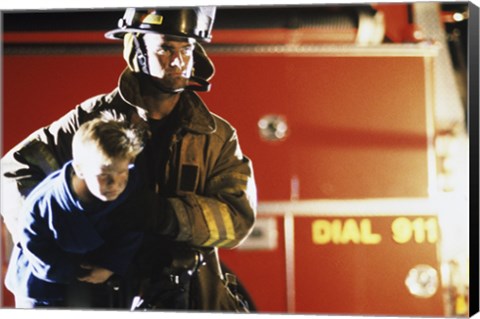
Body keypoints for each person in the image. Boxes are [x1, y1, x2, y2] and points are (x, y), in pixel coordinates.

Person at [1, 7, 257, 311]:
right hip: (100, 294)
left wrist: (165, 215)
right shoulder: (89, 122)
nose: (178, 61)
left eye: (186, 49)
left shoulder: (217, 137)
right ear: (137, 49)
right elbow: (12, 170)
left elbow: (238, 220)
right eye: (164, 48)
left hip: (182, 296)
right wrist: (59, 238)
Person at [4, 116, 146, 308]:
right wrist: (80, 274)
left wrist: (111, 265)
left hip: (98, 282)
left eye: (123, 172)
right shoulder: (42, 205)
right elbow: (37, 251)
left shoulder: (130, 183)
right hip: (42, 289)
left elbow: (134, 225)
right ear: (79, 169)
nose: (116, 184)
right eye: (104, 176)